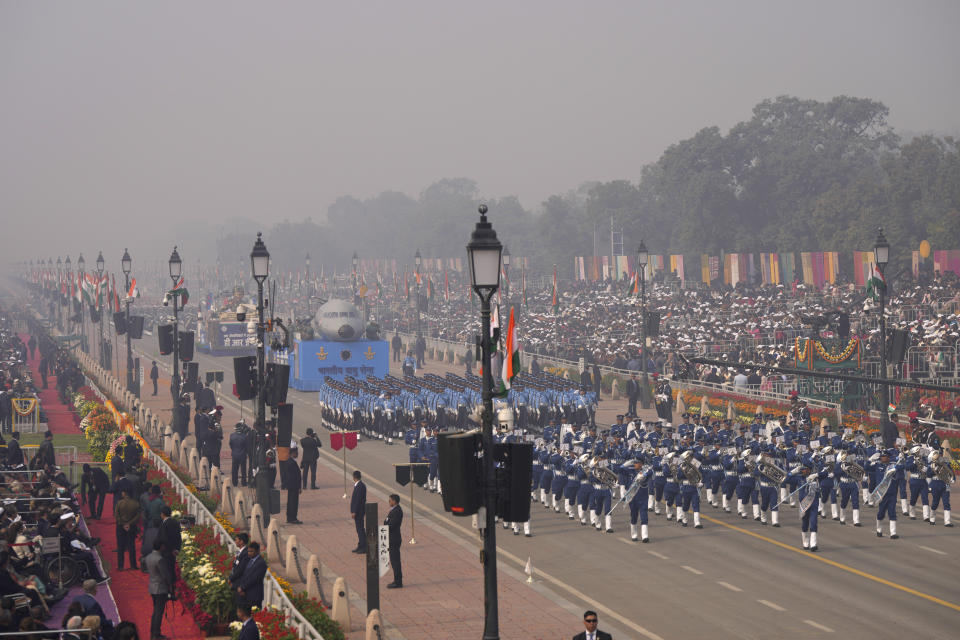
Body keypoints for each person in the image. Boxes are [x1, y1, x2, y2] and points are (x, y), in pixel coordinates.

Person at [145, 539, 171, 640]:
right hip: (160, 588)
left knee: (156, 611)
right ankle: (156, 634)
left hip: (152, 587)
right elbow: (165, 575)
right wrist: (170, 585)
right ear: (160, 547)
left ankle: (153, 633)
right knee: (158, 613)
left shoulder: (148, 557)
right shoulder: (159, 559)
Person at [115, 488, 141, 570]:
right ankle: (133, 565)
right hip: (131, 526)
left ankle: (120, 566)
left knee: (120, 546)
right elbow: (138, 515)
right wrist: (129, 523)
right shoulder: (135, 503)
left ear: (124, 493)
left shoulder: (119, 503)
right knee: (131, 546)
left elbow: (116, 515)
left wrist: (123, 523)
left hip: (120, 526)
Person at [235, 542, 267, 609]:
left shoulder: (261, 563)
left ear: (258, 551)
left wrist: (242, 587)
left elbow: (254, 578)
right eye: (248, 551)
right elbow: (245, 575)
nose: (249, 553)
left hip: (254, 595)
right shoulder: (250, 560)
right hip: (245, 594)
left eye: (251, 551)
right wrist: (240, 587)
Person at [157, 507, 181, 584]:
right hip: (174, 550)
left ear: (162, 514)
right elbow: (178, 537)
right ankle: (173, 587)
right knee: (171, 568)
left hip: (166, 550)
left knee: (167, 570)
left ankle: (170, 589)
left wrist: (171, 550)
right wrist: (176, 549)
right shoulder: (175, 522)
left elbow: (164, 539)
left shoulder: (164, 524)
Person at [384, 494, 403, 588]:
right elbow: (386, 521)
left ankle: (398, 581)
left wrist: (387, 522)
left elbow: (390, 524)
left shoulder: (397, 511)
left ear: (394, 501)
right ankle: (396, 580)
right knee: (394, 560)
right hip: (392, 538)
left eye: (390, 500)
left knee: (395, 561)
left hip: (394, 539)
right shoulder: (394, 510)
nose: (389, 502)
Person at [282, 448, 303, 524]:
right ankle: (293, 518)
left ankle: (290, 517)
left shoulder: (289, 461)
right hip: (294, 485)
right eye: (296, 453)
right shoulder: (291, 463)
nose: (297, 454)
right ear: (292, 453)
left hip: (291, 485)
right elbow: (295, 476)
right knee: (293, 502)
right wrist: (298, 487)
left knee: (290, 501)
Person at [350, 470, 367, 553]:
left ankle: (363, 546)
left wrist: (354, 511)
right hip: (359, 511)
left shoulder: (360, 486)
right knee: (359, 529)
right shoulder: (359, 485)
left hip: (359, 511)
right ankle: (360, 545)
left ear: (354, 477)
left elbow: (357, 500)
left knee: (360, 529)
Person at [229, 422, 248, 487]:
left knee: (234, 470)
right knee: (243, 470)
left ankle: (234, 482)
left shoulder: (232, 436)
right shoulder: (244, 436)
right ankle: (244, 482)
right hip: (242, 455)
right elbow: (246, 446)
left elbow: (231, 445)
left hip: (235, 454)